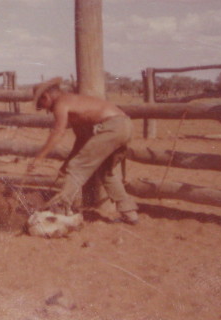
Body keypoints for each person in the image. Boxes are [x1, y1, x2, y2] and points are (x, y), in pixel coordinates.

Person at [27, 77, 138, 225]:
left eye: (43, 104)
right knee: (106, 172)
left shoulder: (61, 103)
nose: (46, 109)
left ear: (46, 96)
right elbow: (82, 140)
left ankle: (60, 208)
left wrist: (39, 158)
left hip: (112, 127)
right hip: (125, 126)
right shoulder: (74, 104)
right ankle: (130, 214)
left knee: (76, 168)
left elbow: (58, 132)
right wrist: (67, 163)